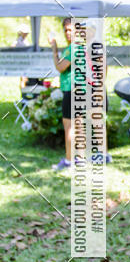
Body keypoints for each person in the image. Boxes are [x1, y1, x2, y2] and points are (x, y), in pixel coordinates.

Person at [50, 18, 74, 172]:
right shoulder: (73, 47)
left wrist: (54, 49)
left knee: (69, 128)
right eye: (65, 30)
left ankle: (69, 160)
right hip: (74, 89)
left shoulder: (74, 49)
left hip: (72, 90)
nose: (68, 33)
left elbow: (60, 67)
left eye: (71, 29)